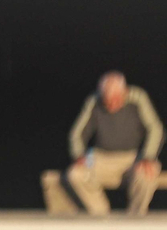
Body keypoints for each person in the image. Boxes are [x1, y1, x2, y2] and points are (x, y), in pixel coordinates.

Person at [60, 72, 161, 215]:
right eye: (108, 100)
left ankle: (135, 217)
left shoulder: (138, 98)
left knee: (148, 174)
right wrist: (79, 155)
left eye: (116, 99)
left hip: (132, 158)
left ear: (124, 92)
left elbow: (155, 128)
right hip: (100, 158)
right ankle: (101, 216)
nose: (112, 105)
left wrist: (148, 157)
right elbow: (76, 133)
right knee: (75, 174)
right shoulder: (93, 101)